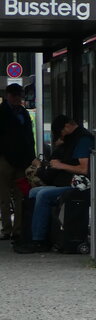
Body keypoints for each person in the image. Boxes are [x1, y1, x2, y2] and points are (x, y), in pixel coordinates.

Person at [14, 115, 93, 254]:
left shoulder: (83, 139)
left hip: (78, 186)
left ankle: (39, 240)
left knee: (43, 195)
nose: (60, 136)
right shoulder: (71, 139)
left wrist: (59, 165)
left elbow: (84, 169)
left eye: (60, 132)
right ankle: (30, 235)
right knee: (34, 192)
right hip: (66, 182)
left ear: (67, 126)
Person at [0, 83, 36, 241]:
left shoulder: (24, 113)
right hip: (4, 159)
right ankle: (7, 229)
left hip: (21, 160)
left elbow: (29, 137)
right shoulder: (2, 112)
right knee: (4, 195)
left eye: (19, 96)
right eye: (14, 95)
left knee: (21, 194)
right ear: (8, 95)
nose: (17, 99)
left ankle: (18, 229)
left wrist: (31, 157)